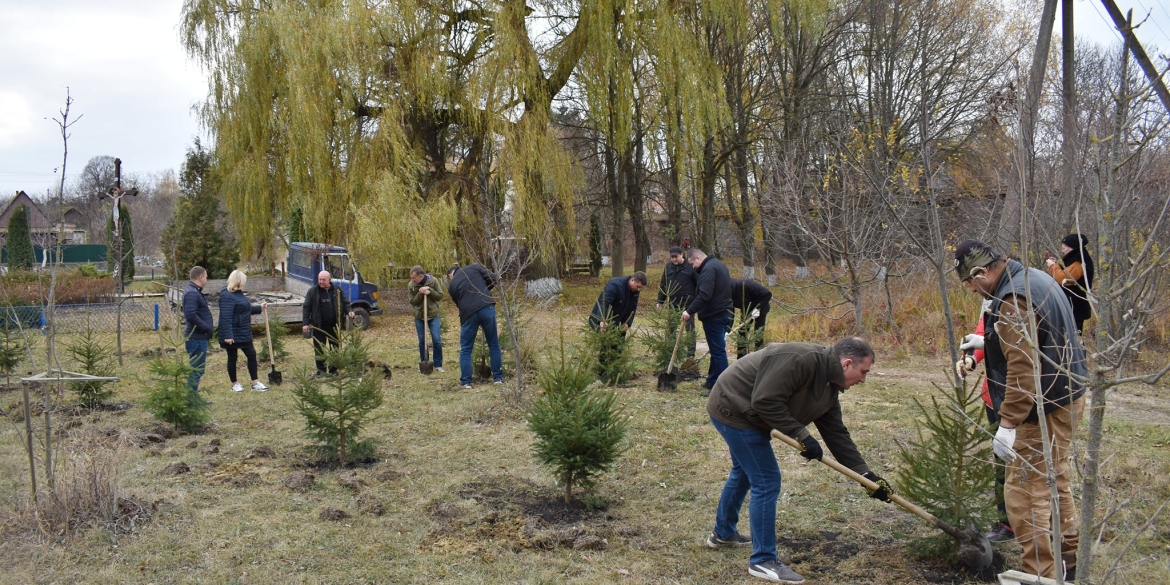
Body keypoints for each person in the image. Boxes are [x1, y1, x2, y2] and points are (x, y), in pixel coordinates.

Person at [705, 337, 893, 584]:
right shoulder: (800, 359)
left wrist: (866, 476)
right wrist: (801, 434)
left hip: (751, 414)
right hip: (733, 407)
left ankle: (723, 533)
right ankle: (763, 560)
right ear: (847, 363)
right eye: (863, 372)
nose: (864, 379)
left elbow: (836, 434)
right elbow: (764, 400)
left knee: (744, 472)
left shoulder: (830, 386)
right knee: (766, 479)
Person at [955, 239, 1086, 580]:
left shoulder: (1011, 299)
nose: (972, 291)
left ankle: (1039, 573)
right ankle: (1071, 561)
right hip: (1068, 395)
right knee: (1056, 481)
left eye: (971, 283)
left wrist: (1009, 423)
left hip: (1040, 409)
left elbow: (1025, 368)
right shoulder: (1034, 277)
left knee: (1024, 494)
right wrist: (992, 341)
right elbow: (1042, 337)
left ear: (983, 272)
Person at [955, 300, 1014, 542]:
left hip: (1022, 396)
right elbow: (983, 332)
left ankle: (1037, 521)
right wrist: (972, 358)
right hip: (994, 396)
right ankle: (1007, 522)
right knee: (1000, 461)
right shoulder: (992, 299)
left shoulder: (1021, 297)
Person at [681, 248, 733, 394]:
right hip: (723, 313)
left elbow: (704, 294)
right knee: (715, 349)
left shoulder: (709, 269)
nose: (693, 267)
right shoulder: (718, 265)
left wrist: (689, 311)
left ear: (698, 258)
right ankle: (712, 380)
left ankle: (722, 387)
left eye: (692, 264)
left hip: (715, 315)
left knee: (718, 352)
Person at [447, 263, 503, 388]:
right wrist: (484, 290)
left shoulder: (452, 286)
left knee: (466, 348)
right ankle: (498, 378)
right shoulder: (474, 267)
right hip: (486, 306)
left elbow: (459, 303)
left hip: (468, 313)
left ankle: (466, 382)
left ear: (453, 274)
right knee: (493, 344)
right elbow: (495, 278)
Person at [217, 270, 268, 392]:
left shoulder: (238, 293)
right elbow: (226, 316)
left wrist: (259, 308)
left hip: (243, 331)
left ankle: (255, 383)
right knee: (232, 357)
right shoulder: (227, 295)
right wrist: (228, 335)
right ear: (238, 281)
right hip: (233, 332)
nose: (244, 284)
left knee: (251, 354)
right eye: (243, 281)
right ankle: (235, 384)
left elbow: (245, 309)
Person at [589, 272, 648, 371]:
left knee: (619, 345)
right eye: (638, 286)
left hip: (618, 321)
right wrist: (602, 320)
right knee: (606, 346)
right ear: (632, 280)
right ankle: (603, 372)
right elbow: (604, 302)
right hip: (604, 318)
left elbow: (633, 308)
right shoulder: (615, 285)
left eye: (641, 288)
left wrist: (628, 323)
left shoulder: (635, 290)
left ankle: (616, 370)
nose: (639, 290)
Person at [302, 270, 355, 375]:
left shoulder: (337, 290)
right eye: (319, 279)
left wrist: (349, 311)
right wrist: (305, 323)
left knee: (334, 349)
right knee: (319, 350)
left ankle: (333, 371)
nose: (321, 282)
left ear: (329, 280)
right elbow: (306, 308)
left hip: (334, 326)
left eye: (323, 280)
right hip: (319, 326)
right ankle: (321, 371)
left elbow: (345, 303)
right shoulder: (312, 292)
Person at [1045, 233, 1094, 334]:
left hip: (1075, 308)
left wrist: (1052, 266)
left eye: (1064, 248)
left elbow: (1064, 279)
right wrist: (1056, 265)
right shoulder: (1076, 258)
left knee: (1073, 337)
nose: (1063, 250)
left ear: (1072, 247)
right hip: (1071, 306)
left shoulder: (1079, 262)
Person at [656, 246, 697, 357]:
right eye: (672, 257)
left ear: (681, 255)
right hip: (673, 304)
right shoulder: (668, 267)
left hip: (688, 304)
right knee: (671, 329)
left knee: (690, 330)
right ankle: (670, 352)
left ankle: (690, 354)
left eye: (676, 257)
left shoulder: (690, 267)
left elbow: (698, 284)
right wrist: (660, 301)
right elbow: (663, 285)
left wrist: (696, 302)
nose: (674, 259)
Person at [182, 266, 214, 396]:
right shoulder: (192, 293)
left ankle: (193, 398)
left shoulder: (194, 291)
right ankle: (191, 400)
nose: (206, 280)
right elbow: (191, 315)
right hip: (196, 337)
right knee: (196, 370)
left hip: (199, 337)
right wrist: (205, 327)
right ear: (201, 277)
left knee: (198, 369)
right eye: (206, 277)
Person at [408, 266, 445, 373]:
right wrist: (420, 293)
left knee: (437, 340)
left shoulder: (433, 281)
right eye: (412, 277)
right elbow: (413, 302)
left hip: (433, 315)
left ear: (421, 276)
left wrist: (430, 291)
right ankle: (424, 362)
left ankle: (438, 365)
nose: (412, 279)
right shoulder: (411, 285)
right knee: (422, 341)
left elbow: (439, 296)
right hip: (419, 316)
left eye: (414, 277)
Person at [731, 278, 773, 358]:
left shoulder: (748, 284)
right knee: (742, 332)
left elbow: (767, 294)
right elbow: (730, 312)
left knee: (758, 333)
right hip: (746, 311)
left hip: (761, 308)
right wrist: (727, 330)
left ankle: (759, 357)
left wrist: (758, 308)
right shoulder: (729, 295)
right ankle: (741, 358)